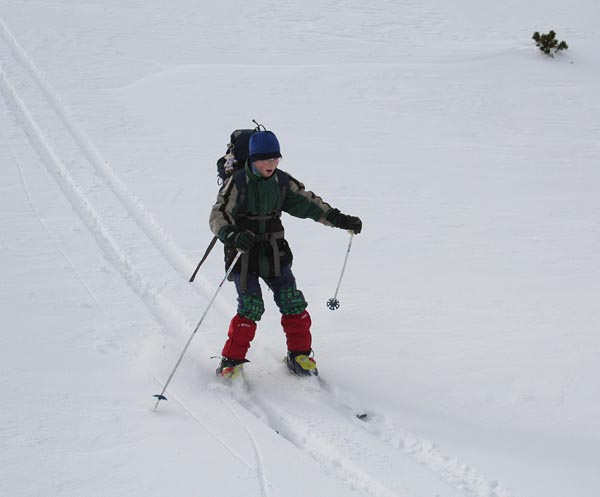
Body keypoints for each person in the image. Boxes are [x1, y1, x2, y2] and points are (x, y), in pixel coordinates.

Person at [209, 129, 362, 379]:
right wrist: (232, 235)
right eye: (266, 160)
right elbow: (218, 215)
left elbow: (309, 204)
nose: (272, 164)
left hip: (273, 251)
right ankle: (231, 362)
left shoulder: (282, 182)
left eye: (276, 159)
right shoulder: (236, 183)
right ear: (253, 159)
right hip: (243, 252)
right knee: (251, 305)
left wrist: (340, 219)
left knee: (292, 301)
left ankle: (300, 355)